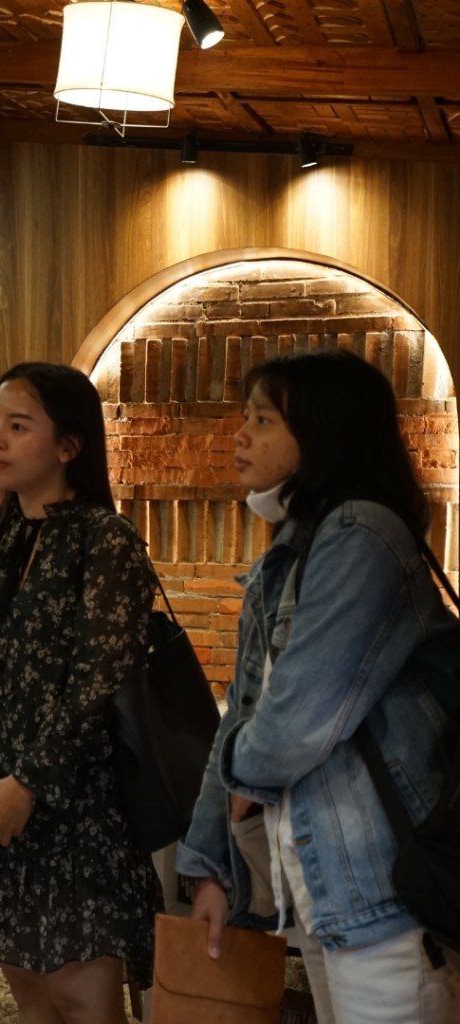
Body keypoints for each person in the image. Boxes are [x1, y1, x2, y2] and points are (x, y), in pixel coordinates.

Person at [176, 349, 460, 1023]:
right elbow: (243, 720)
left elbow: (292, 728)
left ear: (324, 431)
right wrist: (210, 863)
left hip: (384, 893)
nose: (241, 435)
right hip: (326, 889)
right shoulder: (293, 549)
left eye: (263, 419)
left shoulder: (361, 533)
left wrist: (242, 774)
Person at [0, 361, 162, 1023]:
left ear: (69, 446)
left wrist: (31, 783)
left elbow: (99, 682)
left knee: (81, 996)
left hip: (80, 805)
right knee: (31, 993)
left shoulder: (106, 540)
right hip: (4, 800)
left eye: (19, 426)